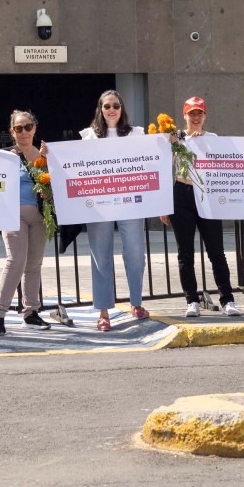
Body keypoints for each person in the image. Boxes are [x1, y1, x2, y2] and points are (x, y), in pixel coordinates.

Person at [160, 97, 241, 318]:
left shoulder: (213, 139)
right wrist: (163, 205)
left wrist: (202, 144)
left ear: (205, 116)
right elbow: (164, 169)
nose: (195, 118)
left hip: (207, 195)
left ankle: (227, 299)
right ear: (184, 116)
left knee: (216, 251)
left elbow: (225, 165)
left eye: (199, 113)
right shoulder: (174, 138)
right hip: (181, 193)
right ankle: (191, 300)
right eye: (191, 113)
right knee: (185, 252)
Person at [80, 90, 148, 332]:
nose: (111, 110)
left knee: (136, 254)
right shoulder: (88, 136)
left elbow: (152, 157)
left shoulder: (136, 133)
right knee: (101, 256)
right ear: (100, 109)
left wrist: (168, 140)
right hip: (99, 205)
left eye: (116, 106)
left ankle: (136, 303)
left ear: (122, 109)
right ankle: (103, 311)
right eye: (107, 106)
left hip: (130, 201)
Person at [0, 110, 51, 335]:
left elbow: (57, 186)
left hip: (40, 216)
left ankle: (31, 312)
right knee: (15, 261)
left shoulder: (45, 155)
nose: (23, 132)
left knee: (34, 264)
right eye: (18, 128)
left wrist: (49, 189)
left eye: (27, 127)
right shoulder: (5, 155)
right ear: (12, 131)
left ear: (34, 128)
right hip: (13, 214)